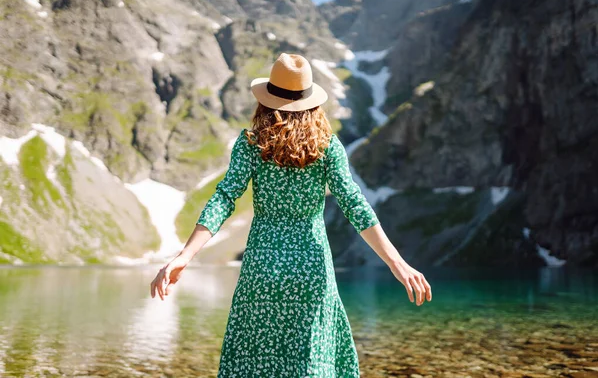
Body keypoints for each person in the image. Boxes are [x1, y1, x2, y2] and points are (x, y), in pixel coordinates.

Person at [150, 52, 432, 376]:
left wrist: (184, 255)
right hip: (311, 270)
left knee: (256, 364)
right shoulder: (328, 146)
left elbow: (225, 198)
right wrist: (397, 262)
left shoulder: (250, 144)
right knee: (311, 362)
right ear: (311, 101)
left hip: (262, 269)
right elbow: (354, 204)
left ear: (266, 101)